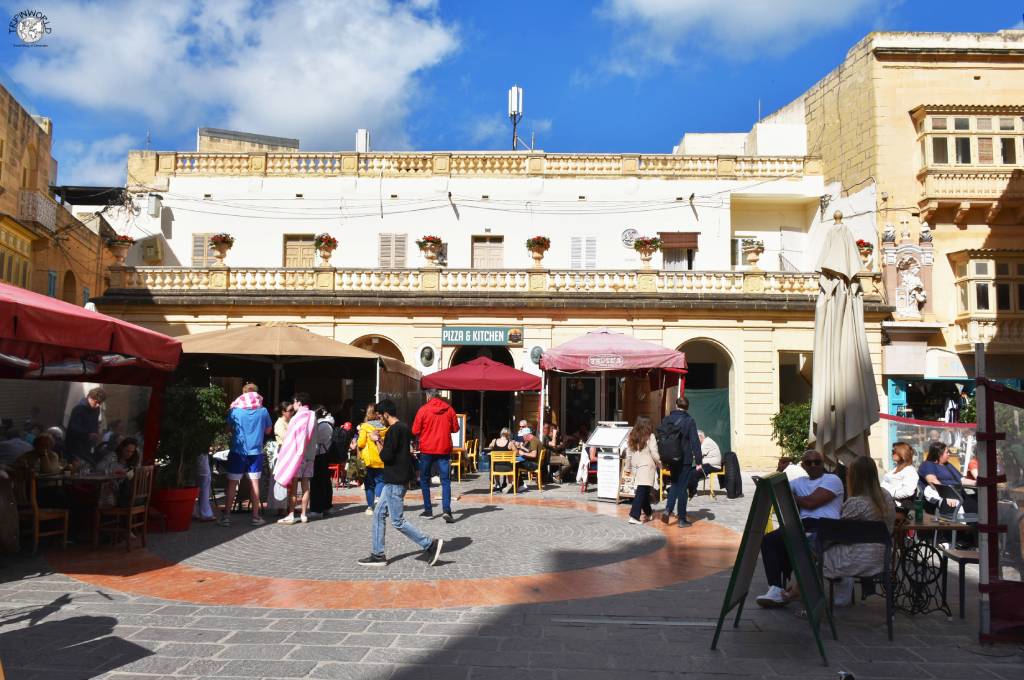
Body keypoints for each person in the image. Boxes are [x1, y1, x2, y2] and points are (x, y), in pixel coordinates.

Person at [357, 399, 444, 567]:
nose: (379, 419)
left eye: (380, 416)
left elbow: (385, 457)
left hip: (394, 481)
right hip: (399, 479)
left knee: (398, 521)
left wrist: (376, 440)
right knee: (378, 514)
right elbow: (395, 453)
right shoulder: (404, 428)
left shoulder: (393, 431)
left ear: (386, 414)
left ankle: (429, 544)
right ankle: (378, 554)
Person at [755, 449, 844, 608]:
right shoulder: (800, 482)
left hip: (826, 527)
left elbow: (811, 503)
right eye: (809, 462)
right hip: (803, 527)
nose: (814, 465)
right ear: (803, 465)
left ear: (823, 463)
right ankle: (775, 588)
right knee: (769, 540)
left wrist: (788, 496)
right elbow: (774, 490)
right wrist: (779, 471)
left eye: (817, 462)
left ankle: (798, 590)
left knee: (803, 547)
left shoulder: (832, 479)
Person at [820, 457, 896, 606]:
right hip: (882, 557)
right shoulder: (886, 497)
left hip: (857, 559)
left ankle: (818, 597)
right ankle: (844, 586)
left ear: (854, 477)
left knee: (814, 551)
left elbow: (839, 532)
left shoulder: (856, 503)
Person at [219, 384, 272, 527]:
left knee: (232, 484)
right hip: (256, 452)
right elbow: (268, 431)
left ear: (242, 394)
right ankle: (255, 517)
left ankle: (226, 517)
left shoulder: (235, 411)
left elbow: (228, 429)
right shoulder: (263, 411)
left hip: (237, 451)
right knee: (254, 485)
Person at [411, 389, 460, 523]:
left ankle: (428, 510)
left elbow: (415, 430)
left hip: (427, 449)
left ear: (428, 396)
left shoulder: (423, 410)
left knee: (424, 479)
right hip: (444, 449)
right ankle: (446, 510)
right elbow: (456, 429)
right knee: (445, 481)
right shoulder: (449, 409)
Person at [658, 396, 702, 528]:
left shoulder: (667, 419)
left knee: (675, 484)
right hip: (685, 459)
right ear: (687, 407)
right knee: (683, 488)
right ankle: (681, 519)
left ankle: (668, 509)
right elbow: (695, 441)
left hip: (670, 458)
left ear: (676, 405)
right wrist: (699, 460)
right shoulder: (689, 421)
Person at [275, 393, 317, 525]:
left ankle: (291, 514)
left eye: (294, 402)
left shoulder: (296, 418)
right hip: (310, 456)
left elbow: (290, 439)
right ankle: (304, 514)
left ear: (298, 402)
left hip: (297, 457)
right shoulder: (313, 415)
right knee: (306, 486)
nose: (293, 405)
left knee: (293, 487)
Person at [624, 416, 661, 524]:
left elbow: (629, 454)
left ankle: (649, 513)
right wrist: (659, 463)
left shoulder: (632, 436)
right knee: (641, 492)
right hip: (647, 467)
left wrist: (627, 467)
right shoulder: (650, 436)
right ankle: (634, 515)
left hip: (636, 467)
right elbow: (654, 453)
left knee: (644, 491)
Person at [357, 405, 387, 515]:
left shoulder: (365, 427)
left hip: (368, 460)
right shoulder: (384, 427)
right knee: (381, 481)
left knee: (369, 484)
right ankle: (379, 497)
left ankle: (370, 507)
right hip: (381, 458)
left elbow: (360, 443)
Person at [65, 387, 106, 467]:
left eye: (99, 403)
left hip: (87, 445)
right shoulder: (79, 409)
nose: (97, 405)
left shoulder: (96, 409)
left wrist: (95, 433)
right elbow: (73, 428)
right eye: (96, 402)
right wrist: (88, 434)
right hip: (75, 446)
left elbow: (94, 424)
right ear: (89, 397)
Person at [307, 406, 335, 519]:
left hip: (319, 454)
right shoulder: (327, 423)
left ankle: (317, 508)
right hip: (323, 454)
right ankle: (326, 506)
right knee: (324, 481)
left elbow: (315, 439)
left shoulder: (323, 425)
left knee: (317, 482)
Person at [266, 401, 293, 517]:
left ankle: (288, 506)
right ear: (283, 412)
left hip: (290, 453)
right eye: (290, 410)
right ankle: (281, 507)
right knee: (281, 481)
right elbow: (287, 438)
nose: (292, 412)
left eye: (293, 410)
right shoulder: (279, 423)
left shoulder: (290, 421)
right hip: (282, 453)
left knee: (290, 481)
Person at [96, 437, 140, 508]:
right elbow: (99, 467)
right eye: (127, 451)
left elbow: (135, 475)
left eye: (132, 452)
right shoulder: (113, 456)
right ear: (122, 448)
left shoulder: (134, 460)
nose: (129, 454)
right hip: (115, 492)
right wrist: (114, 471)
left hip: (128, 495)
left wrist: (128, 473)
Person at [880, 442, 918, 513]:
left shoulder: (909, 470)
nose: (892, 453)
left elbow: (908, 492)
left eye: (894, 451)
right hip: (886, 503)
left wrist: (888, 493)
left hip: (898, 508)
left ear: (902, 453)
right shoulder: (896, 469)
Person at [688, 430, 723, 499]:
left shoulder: (706, 442)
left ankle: (692, 491)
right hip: (708, 464)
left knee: (694, 472)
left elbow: (698, 454)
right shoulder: (705, 442)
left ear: (700, 437)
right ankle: (690, 489)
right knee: (690, 471)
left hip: (713, 465)